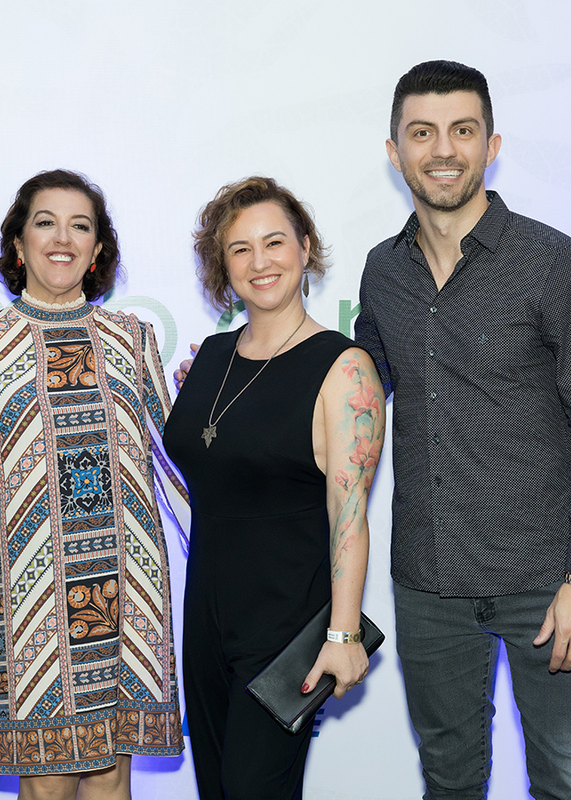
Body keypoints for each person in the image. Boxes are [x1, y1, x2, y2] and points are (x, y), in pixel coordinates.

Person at [355, 61, 571, 799]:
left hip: (546, 583)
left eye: (462, 130)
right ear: (395, 152)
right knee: (448, 783)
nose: (443, 149)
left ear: (491, 145)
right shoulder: (382, 273)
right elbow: (356, 393)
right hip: (428, 584)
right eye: (422, 132)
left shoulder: (553, 263)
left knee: (570, 784)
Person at [0, 169, 183, 799]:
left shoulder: (133, 339)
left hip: (129, 594)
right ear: (18, 244)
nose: (63, 238)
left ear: (98, 249)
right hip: (30, 605)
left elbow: (181, 466)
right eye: (45, 223)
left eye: (81, 226)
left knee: (111, 779)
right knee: (46, 783)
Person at [164, 176, 386, 800]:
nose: (259, 262)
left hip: (286, 624)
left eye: (274, 242)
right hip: (206, 620)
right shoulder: (210, 359)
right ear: (222, 264)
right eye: (240, 248)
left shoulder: (344, 368)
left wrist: (342, 634)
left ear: (305, 247)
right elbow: (206, 481)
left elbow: (349, 513)